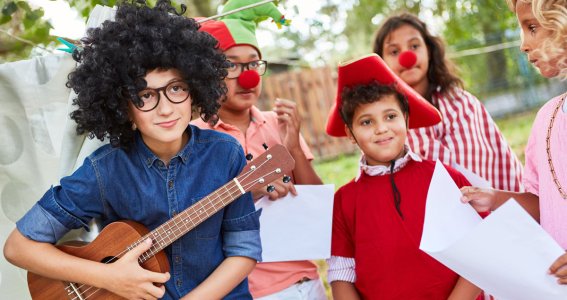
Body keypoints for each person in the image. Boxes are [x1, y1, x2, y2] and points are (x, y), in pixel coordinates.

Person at [3, 1, 262, 299]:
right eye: (145, 95)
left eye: (176, 88)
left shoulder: (226, 153)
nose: (165, 109)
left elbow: (244, 250)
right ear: (123, 107)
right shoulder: (105, 170)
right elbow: (18, 247)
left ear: (195, 90)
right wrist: (110, 278)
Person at [192, 0, 326, 299]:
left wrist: (292, 146)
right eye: (231, 65)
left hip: (305, 281)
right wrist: (246, 190)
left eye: (253, 63)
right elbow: (190, 221)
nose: (248, 75)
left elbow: (316, 205)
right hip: (246, 291)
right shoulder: (193, 138)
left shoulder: (278, 125)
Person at [325, 53, 481, 299]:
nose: (381, 128)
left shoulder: (443, 177)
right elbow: (341, 274)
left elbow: (479, 251)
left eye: (390, 116)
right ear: (350, 133)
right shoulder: (343, 202)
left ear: (406, 118)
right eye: (366, 122)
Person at [461, 0, 567, 285]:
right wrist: (495, 198)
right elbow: (542, 203)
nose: (523, 44)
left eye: (531, 27)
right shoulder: (547, 119)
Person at [373, 13, 524, 193]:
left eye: (414, 46)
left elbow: (482, 170)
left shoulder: (462, 104)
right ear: (381, 62)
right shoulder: (380, 123)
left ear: (429, 50)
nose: (407, 56)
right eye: (394, 51)